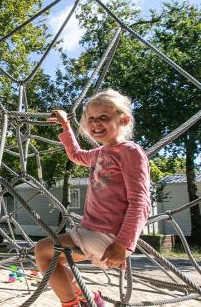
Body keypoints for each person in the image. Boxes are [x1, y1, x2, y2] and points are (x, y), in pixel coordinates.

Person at [35, 89, 151, 307]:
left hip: (108, 235)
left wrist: (123, 244)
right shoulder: (98, 153)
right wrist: (66, 126)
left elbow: (141, 201)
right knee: (53, 259)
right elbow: (76, 155)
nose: (96, 123)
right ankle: (88, 297)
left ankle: (72, 303)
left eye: (104, 118)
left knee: (42, 251)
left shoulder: (129, 151)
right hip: (91, 230)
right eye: (91, 119)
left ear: (123, 120)